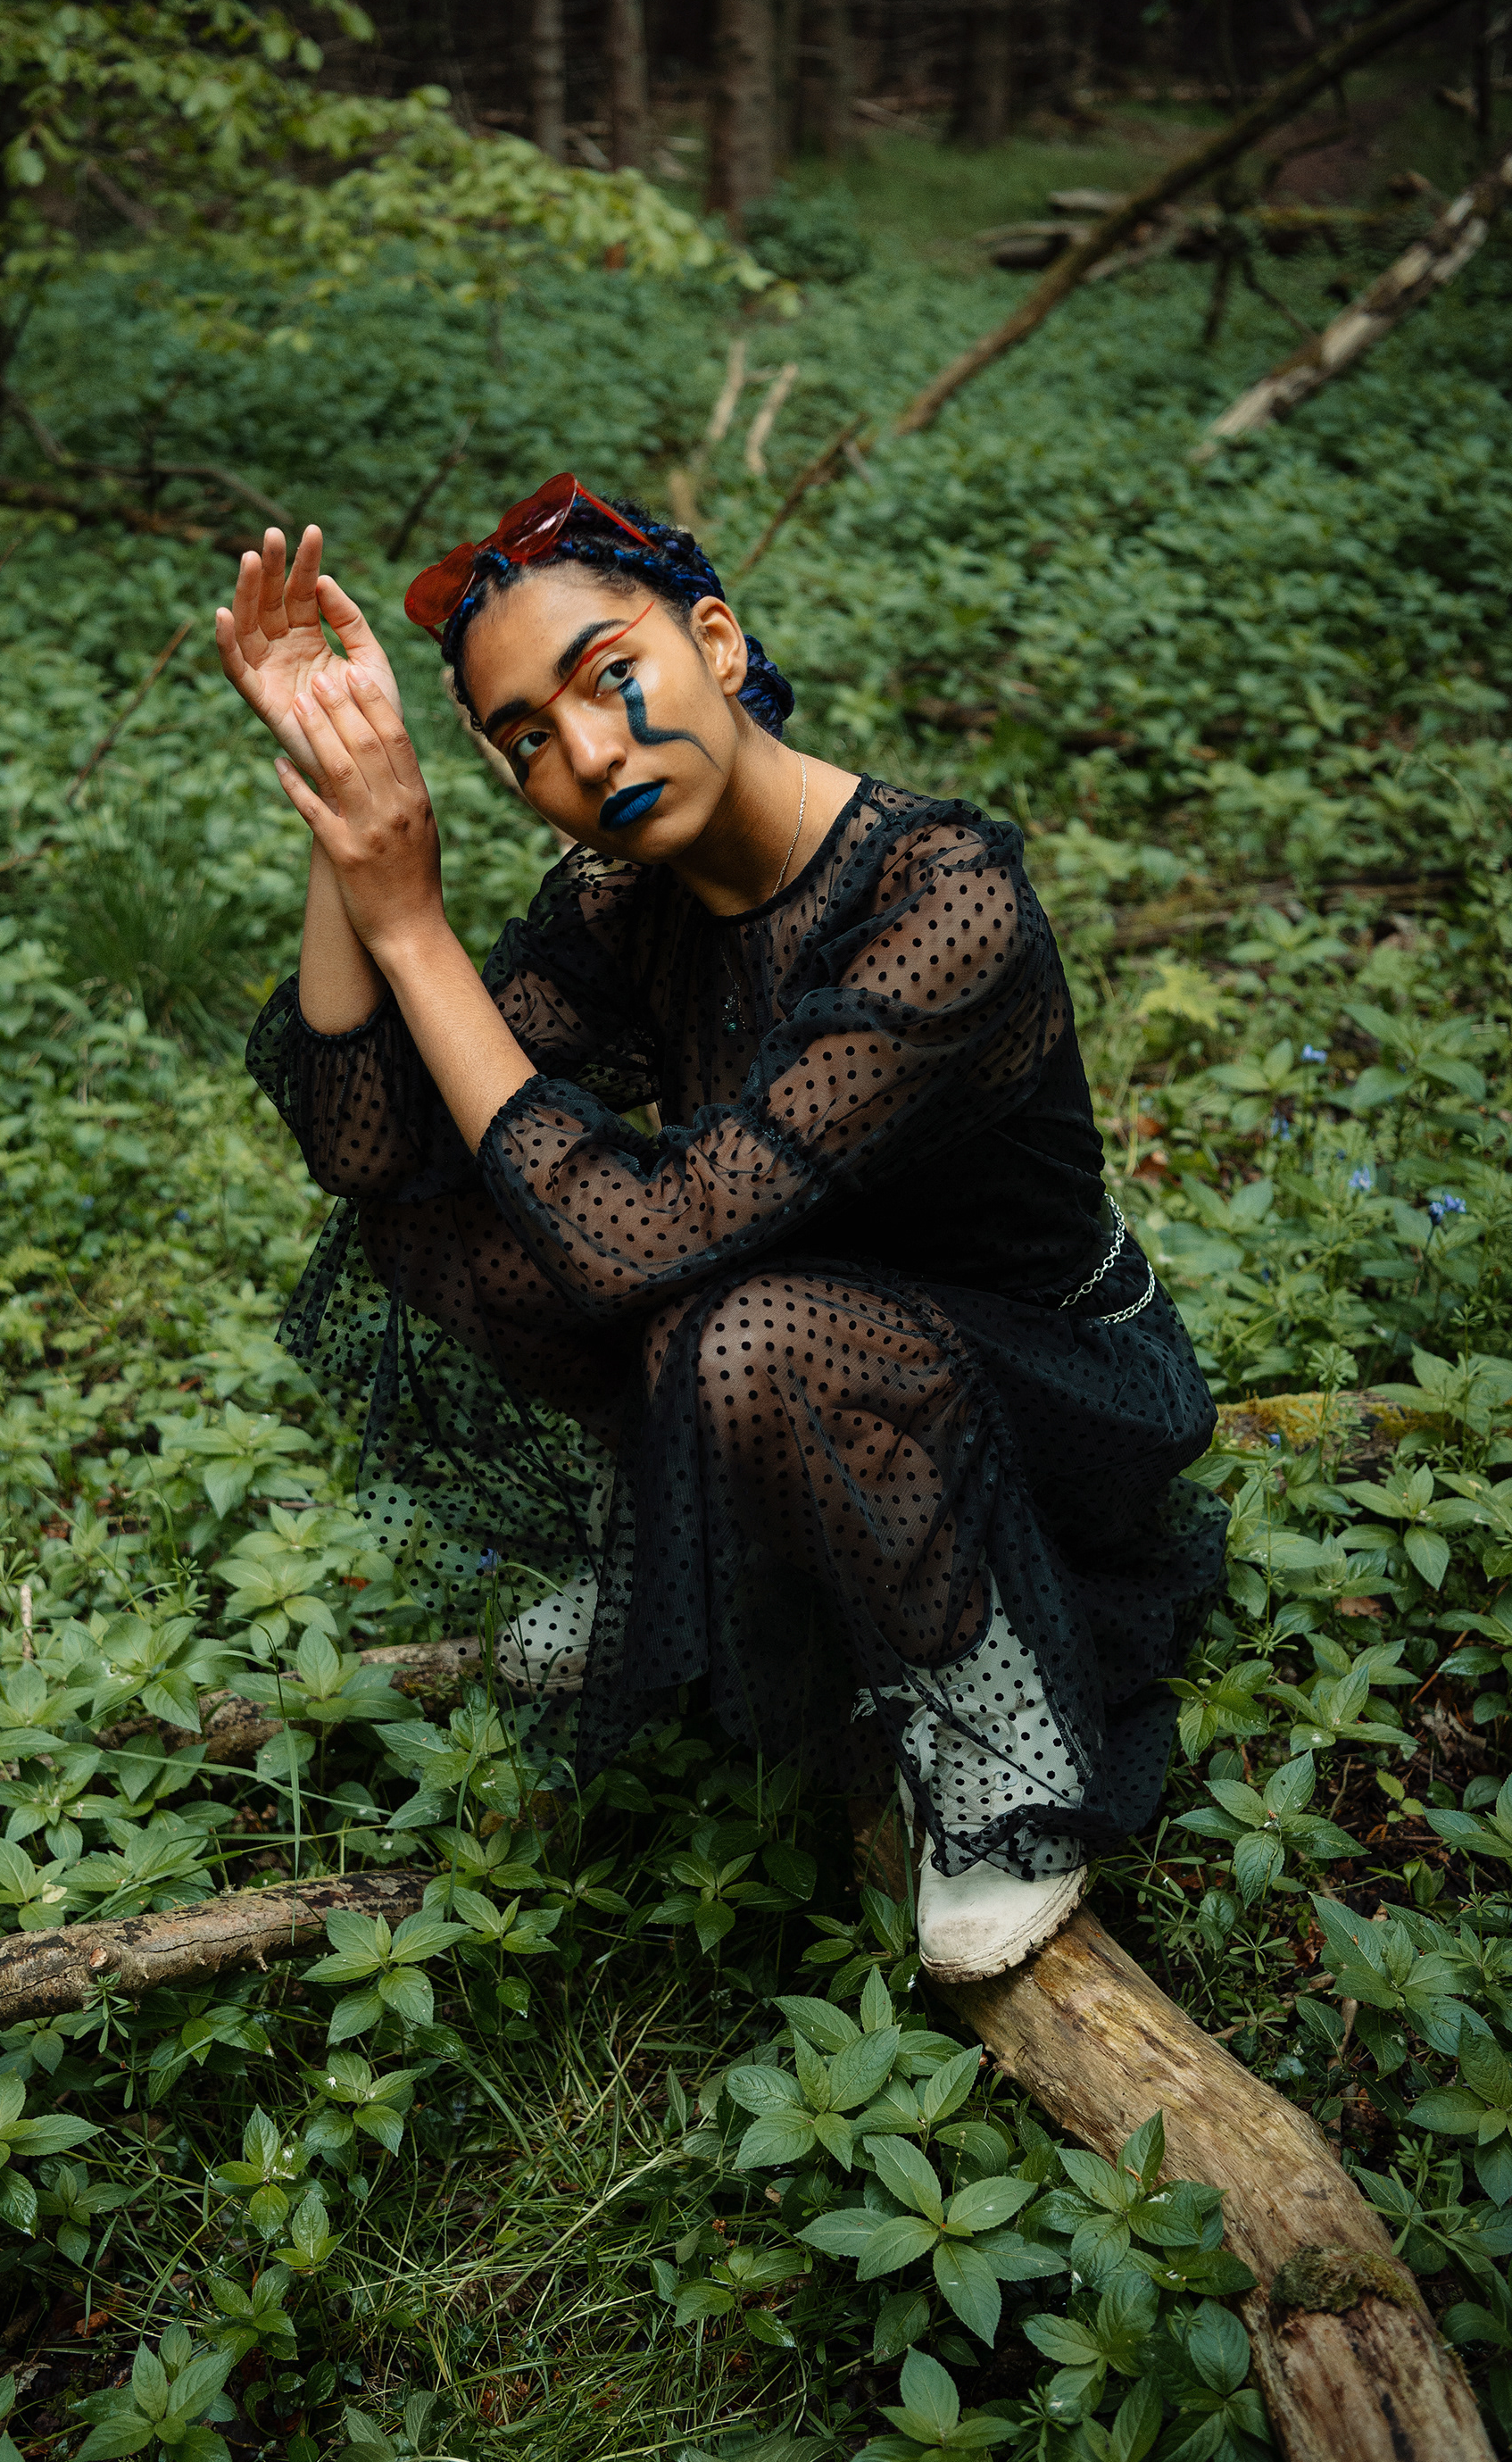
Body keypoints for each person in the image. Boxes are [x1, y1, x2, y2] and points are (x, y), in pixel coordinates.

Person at [217, 478, 1225, 1984]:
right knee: (444, 1222)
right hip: (799, 1324)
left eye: (608, 676)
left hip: (1048, 1382)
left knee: (735, 1329)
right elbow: (373, 1151)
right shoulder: (627, 901)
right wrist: (345, 820)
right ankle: (679, 1530)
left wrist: (416, 928)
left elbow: (633, 1244)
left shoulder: (941, 899)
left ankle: (997, 1722)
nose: (590, 754)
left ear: (718, 641)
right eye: (527, 739)